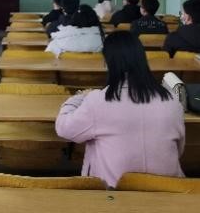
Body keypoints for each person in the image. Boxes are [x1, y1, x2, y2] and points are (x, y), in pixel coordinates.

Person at [55, 31, 185, 188]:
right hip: (169, 190)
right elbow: (178, 149)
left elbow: (64, 128)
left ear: (108, 63)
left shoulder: (98, 101)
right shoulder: (172, 101)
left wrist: (79, 97)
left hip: (114, 192)